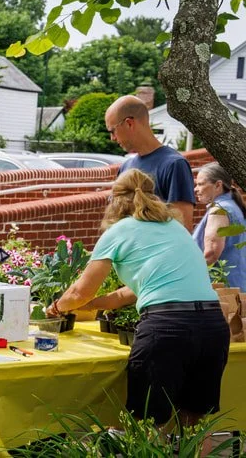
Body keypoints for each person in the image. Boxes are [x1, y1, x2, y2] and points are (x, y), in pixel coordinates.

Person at [47, 169, 228, 432]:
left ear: (115, 200)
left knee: (146, 425)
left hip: (167, 328)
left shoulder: (119, 231)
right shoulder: (174, 228)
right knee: (192, 422)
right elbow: (126, 293)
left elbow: (78, 292)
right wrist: (92, 305)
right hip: (212, 325)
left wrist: (56, 307)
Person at [106, 95, 195, 230]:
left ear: (129, 123)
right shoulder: (125, 167)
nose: (112, 138)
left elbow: (183, 228)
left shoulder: (174, 165)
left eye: (113, 131)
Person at [193, 162, 246, 290]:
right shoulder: (233, 206)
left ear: (218, 185)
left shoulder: (219, 210)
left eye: (200, 184)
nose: (195, 189)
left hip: (222, 291)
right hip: (236, 286)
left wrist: (184, 275)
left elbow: (210, 253)